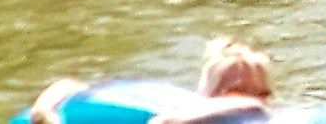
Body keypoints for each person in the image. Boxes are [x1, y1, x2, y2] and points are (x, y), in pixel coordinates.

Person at [25, 39, 273, 122]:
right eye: (240, 93)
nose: (257, 101)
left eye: (264, 94)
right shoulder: (181, 109)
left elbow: (68, 85)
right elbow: (70, 87)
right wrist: (43, 110)